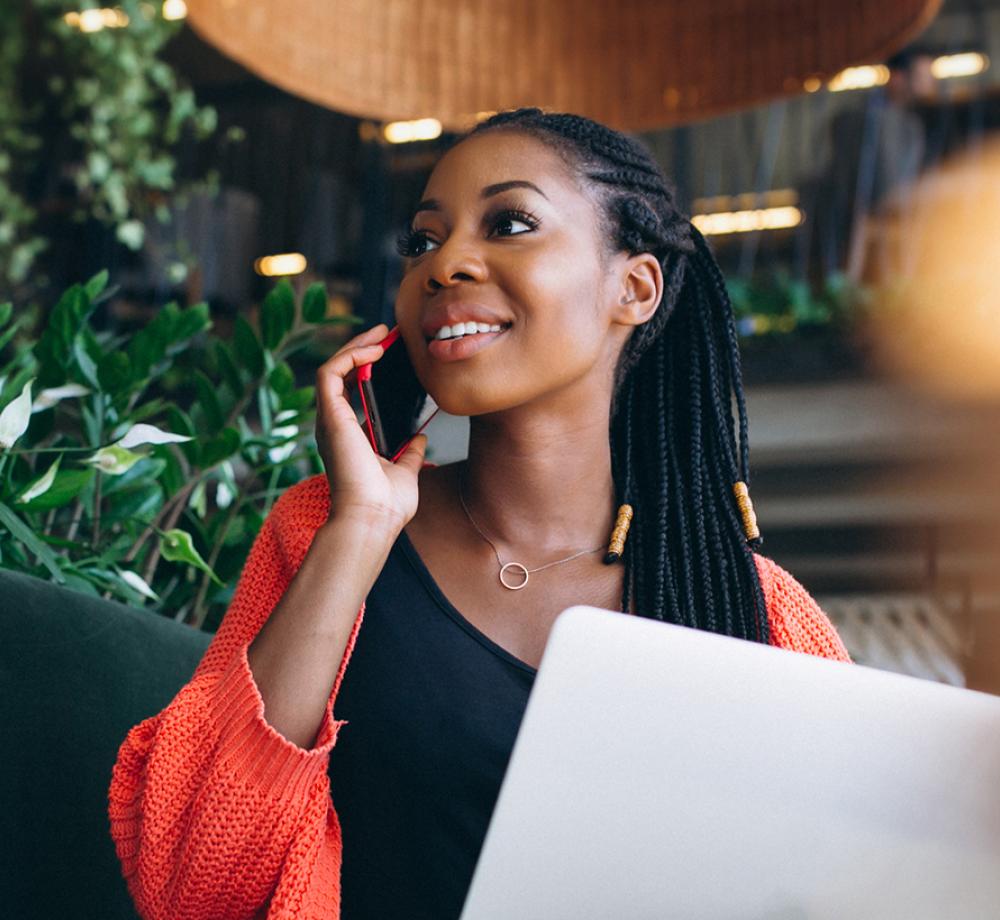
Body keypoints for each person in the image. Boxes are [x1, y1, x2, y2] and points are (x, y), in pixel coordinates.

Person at [108, 107, 851, 920]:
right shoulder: (329, 533)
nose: (447, 264)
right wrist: (358, 531)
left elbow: (842, 883)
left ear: (632, 289)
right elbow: (190, 885)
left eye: (510, 223)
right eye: (422, 241)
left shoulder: (752, 610)